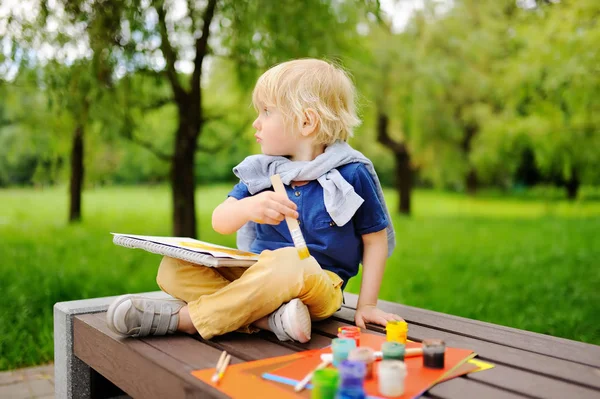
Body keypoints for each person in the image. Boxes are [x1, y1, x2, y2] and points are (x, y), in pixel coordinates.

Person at [106, 58, 402, 342]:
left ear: (306, 122)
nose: (256, 123)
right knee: (173, 267)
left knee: (290, 261)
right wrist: (248, 207)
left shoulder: (350, 174)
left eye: (266, 112)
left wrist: (366, 305)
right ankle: (269, 320)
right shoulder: (264, 171)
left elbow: (375, 241)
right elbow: (220, 221)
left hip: (319, 286)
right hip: (255, 274)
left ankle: (187, 320)